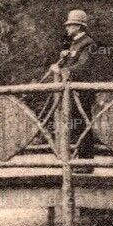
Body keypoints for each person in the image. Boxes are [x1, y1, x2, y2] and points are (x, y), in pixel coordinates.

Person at [43, 9, 98, 157]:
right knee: (76, 124)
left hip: (82, 91)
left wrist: (61, 70)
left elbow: (83, 66)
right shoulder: (75, 43)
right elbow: (74, 62)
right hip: (73, 91)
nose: (67, 28)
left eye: (70, 25)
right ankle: (78, 159)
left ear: (78, 27)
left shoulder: (88, 43)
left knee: (83, 125)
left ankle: (86, 161)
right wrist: (64, 59)